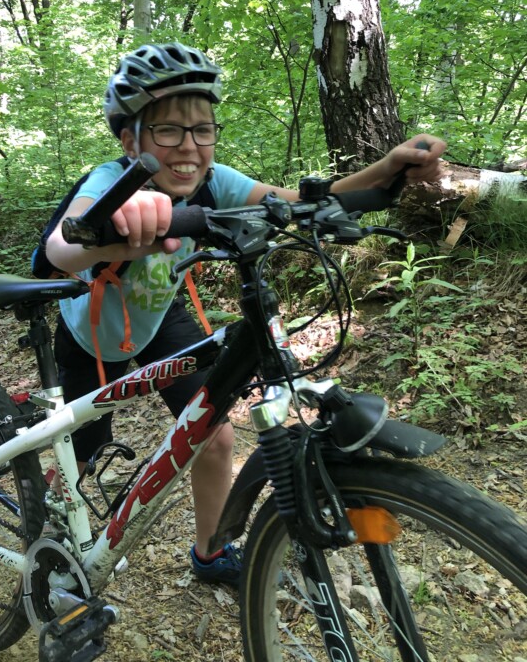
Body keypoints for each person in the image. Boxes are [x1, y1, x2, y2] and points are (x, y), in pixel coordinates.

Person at [45, 41, 446, 586]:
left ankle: (210, 553)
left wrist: (387, 168)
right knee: (83, 458)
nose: (190, 147)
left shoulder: (217, 182)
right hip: (91, 336)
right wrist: (120, 215)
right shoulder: (109, 181)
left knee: (214, 434)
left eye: (202, 129)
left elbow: (302, 201)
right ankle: (50, 526)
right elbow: (62, 246)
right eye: (168, 130)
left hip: (159, 320)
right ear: (130, 140)